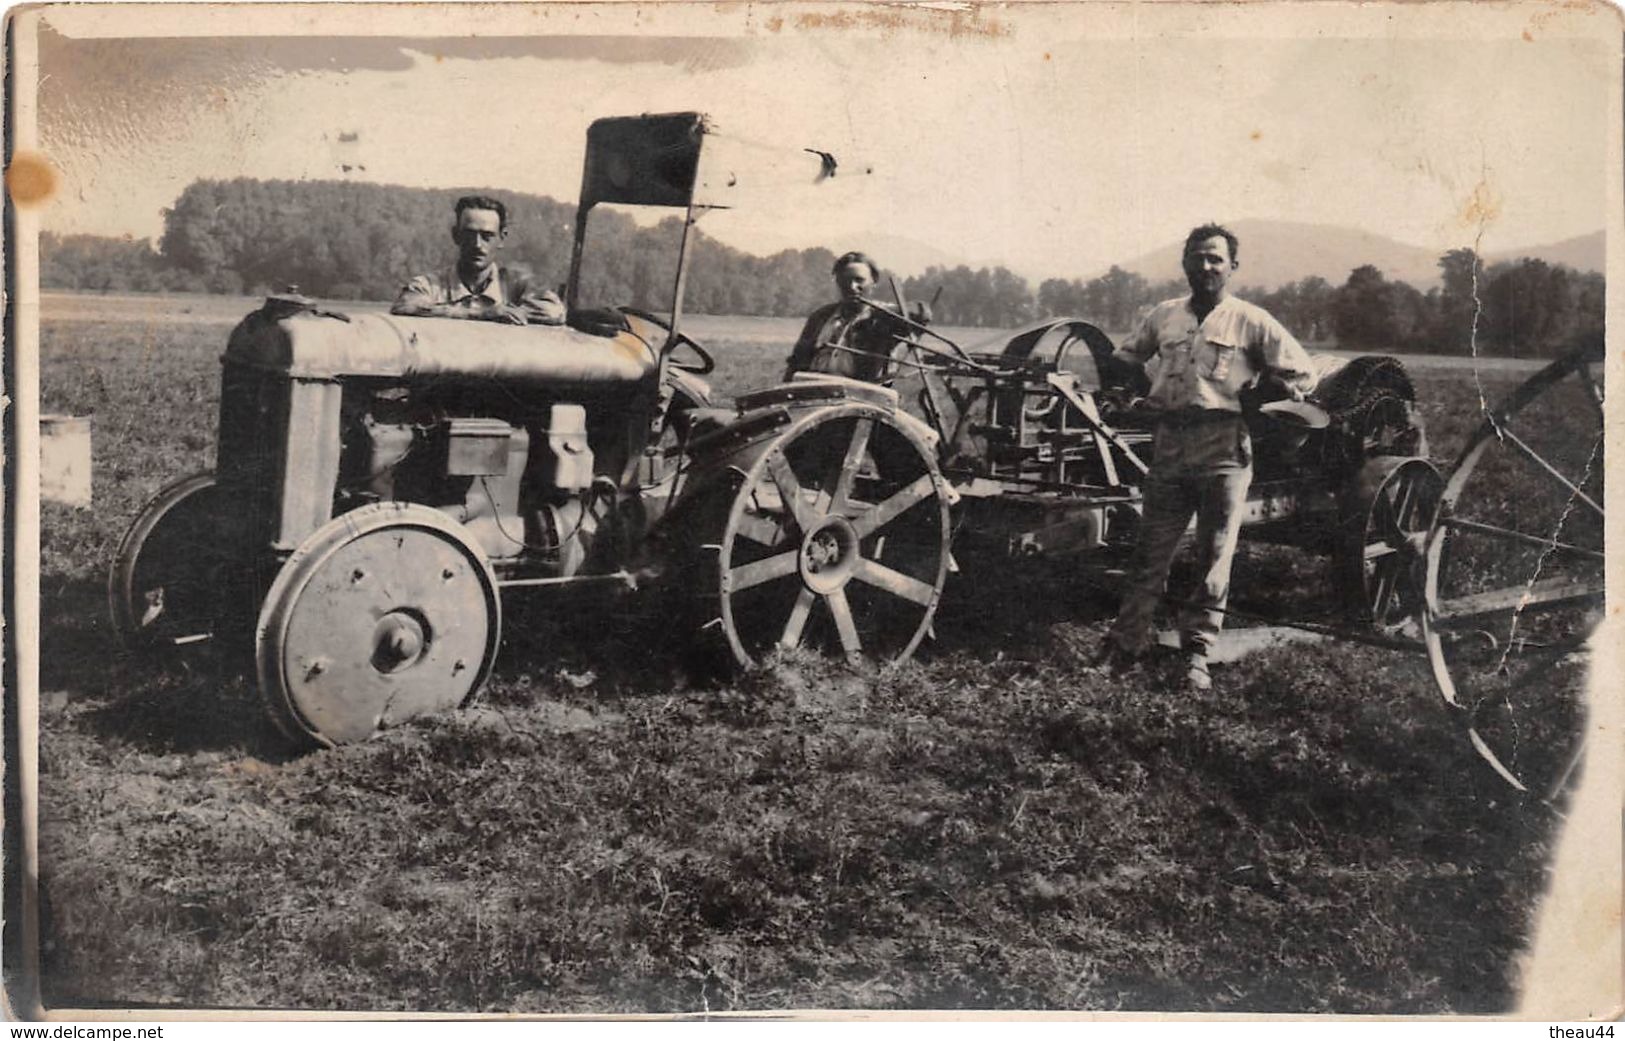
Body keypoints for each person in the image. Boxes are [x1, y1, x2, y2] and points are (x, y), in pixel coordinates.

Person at [1101, 223, 1317, 691]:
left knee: (1214, 553)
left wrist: (1267, 395)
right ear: (1185, 264)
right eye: (1198, 257)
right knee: (1150, 551)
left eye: (1216, 258)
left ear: (1232, 267)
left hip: (1224, 446)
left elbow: (1302, 373)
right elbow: (1124, 358)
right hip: (1170, 444)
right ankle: (1127, 645)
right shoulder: (1164, 316)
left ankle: (1197, 653)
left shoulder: (1251, 321)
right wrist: (1132, 398)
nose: (1206, 266)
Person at [392, 195, 565, 326]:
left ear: (502, 238)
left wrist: (512, 314)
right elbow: (404, 307)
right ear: (456, 236)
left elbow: (555, 312)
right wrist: (483, 314)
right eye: (469, 235)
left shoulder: (516, 286)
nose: (477, 245)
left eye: (487, 236)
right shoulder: (430, 285)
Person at [783, 251, 924, 383]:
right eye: (845, 280)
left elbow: (921, 312)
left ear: (873, 282)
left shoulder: (882, 318)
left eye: (859, 280)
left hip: (857, 397)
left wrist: (896, 311)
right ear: (837, 282)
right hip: (812, 391)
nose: (852, 286)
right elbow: (795, 363)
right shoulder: (820, 317)